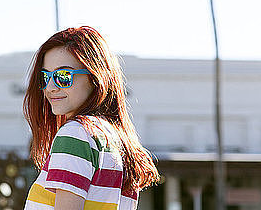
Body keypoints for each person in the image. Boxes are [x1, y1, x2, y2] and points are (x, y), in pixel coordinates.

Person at [23, 26, 159, 210]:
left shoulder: (75, 134)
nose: (50, 87)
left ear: (95, 78)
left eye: (63, 76)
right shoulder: (118, 141)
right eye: (45, 77)